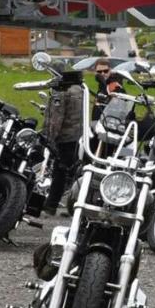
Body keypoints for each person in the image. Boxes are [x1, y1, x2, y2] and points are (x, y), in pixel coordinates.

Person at [43, 70, 85, 215]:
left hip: (64, 137)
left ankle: (53, 205)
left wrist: (49, 138)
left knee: (61, 171)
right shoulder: (80, 90)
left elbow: (56, 118)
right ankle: (57, 204)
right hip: (76, 136)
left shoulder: (62, 92)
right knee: (70, 171)